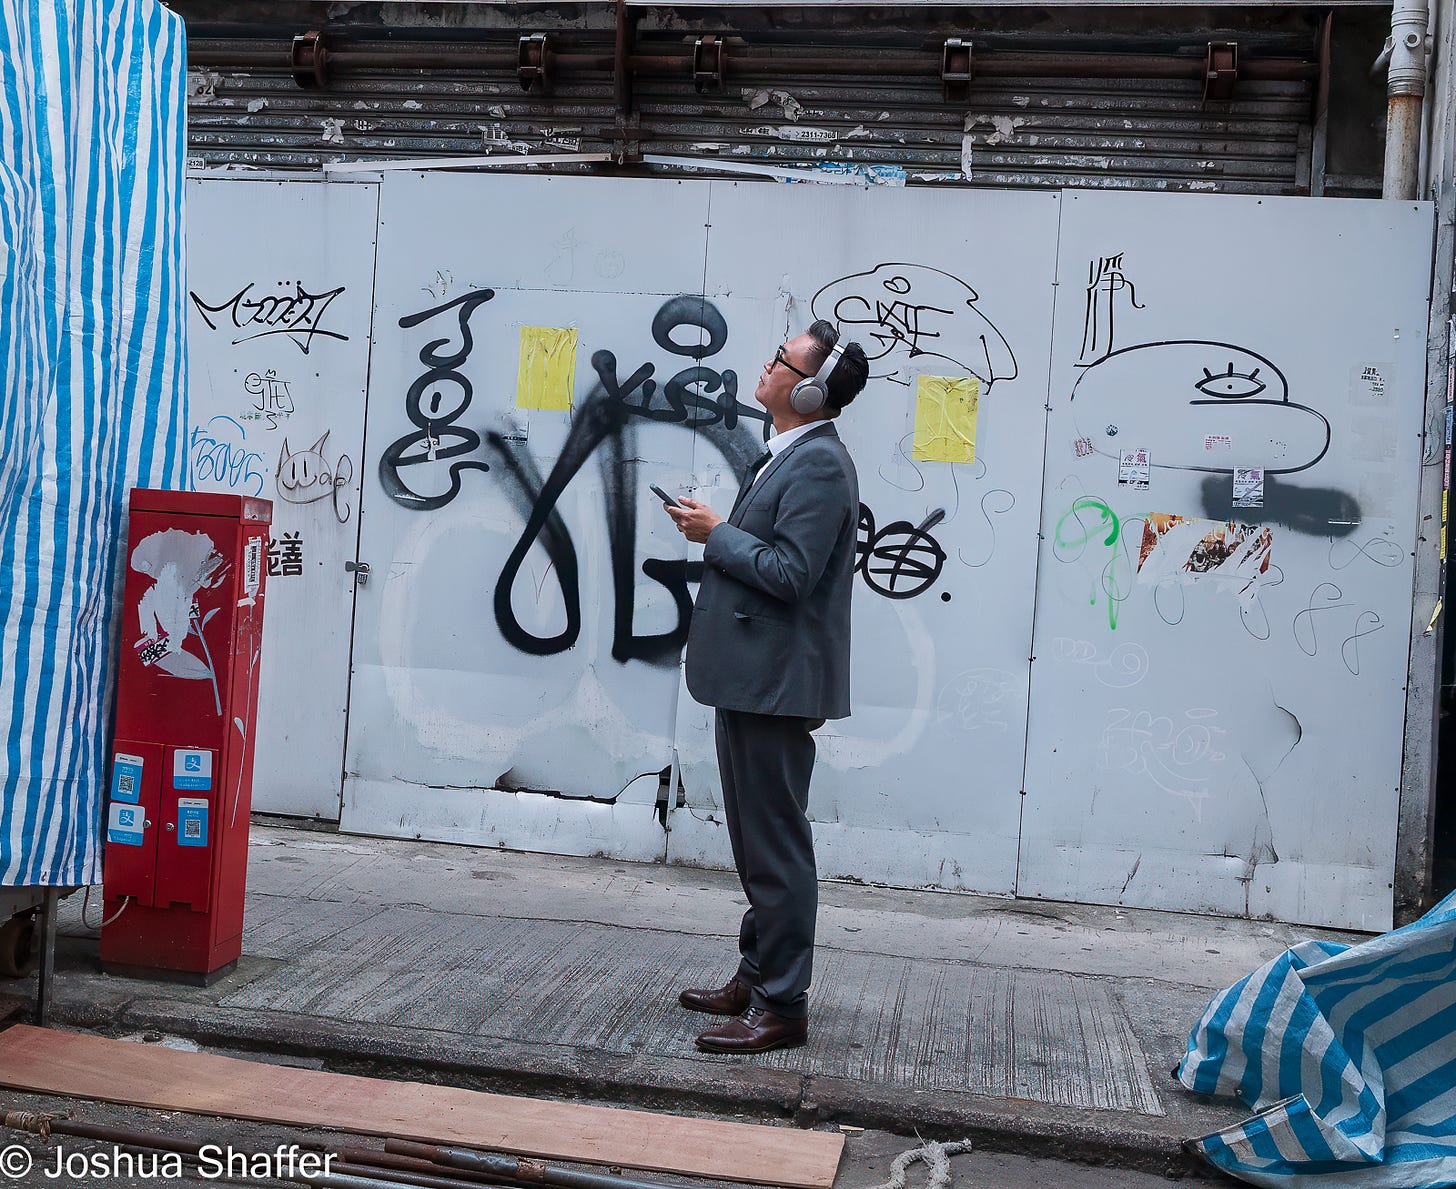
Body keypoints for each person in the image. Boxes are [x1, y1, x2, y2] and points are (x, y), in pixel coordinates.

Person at [665, 319, 869, 1054]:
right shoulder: (788, 453)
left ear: (809, 391)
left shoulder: (819, 466)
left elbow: (791, 572)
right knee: (757, 842)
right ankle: (756, 975)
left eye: (781, 360)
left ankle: (783, 1005)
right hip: (753, 678)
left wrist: (716, 535)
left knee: (776, 846)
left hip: (776, 683)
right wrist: (719, 532)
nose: (767, 364)